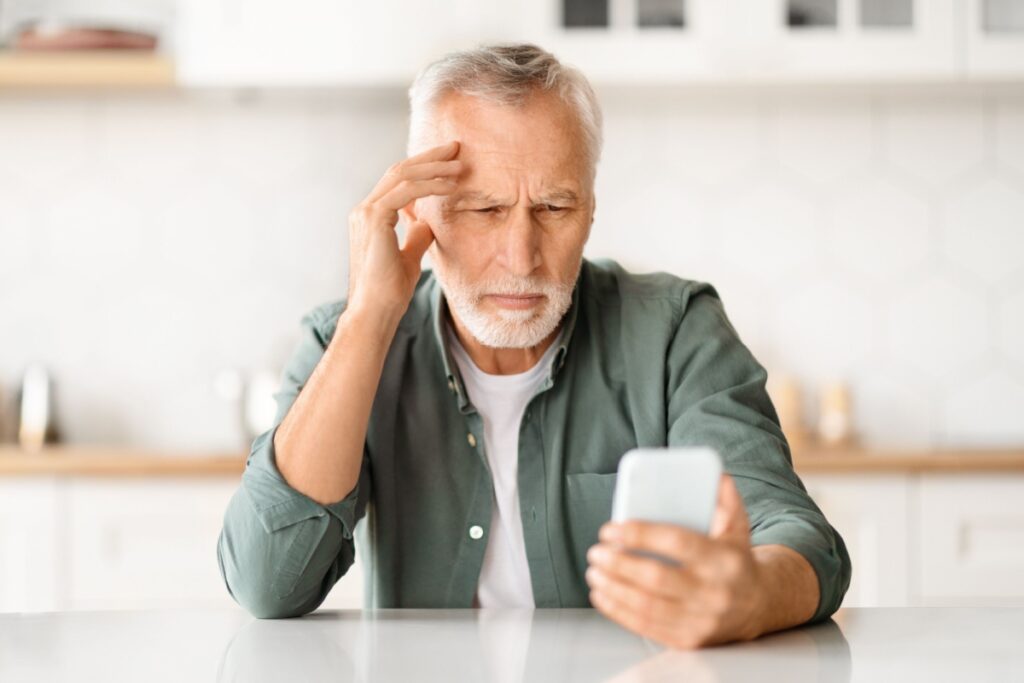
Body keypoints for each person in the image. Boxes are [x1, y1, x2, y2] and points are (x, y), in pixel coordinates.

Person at [217, 43, 851, 650]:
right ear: (418, 213)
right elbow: (267, 583)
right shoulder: (345, 339)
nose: (522, 259)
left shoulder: (675, 331)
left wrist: (751, 595)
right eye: (483, 210)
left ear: (591, 210)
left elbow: (797, 535)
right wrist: (369, 317)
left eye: (553, 207)